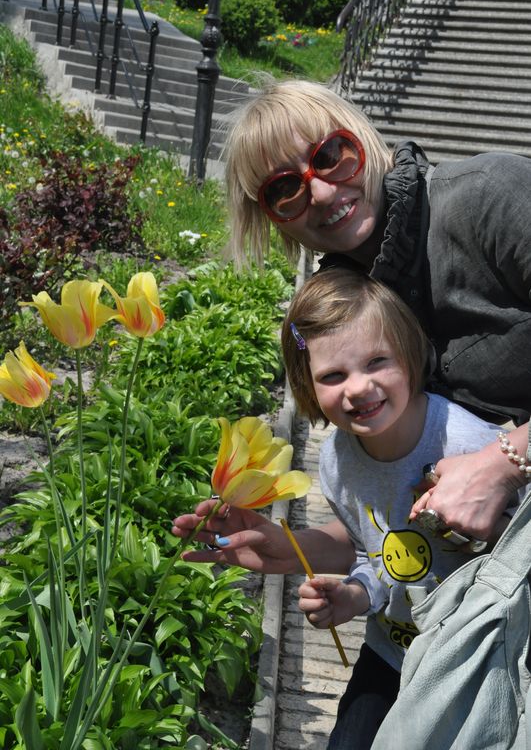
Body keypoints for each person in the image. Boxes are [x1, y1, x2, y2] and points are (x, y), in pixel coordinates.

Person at [174, 76, 531, 569]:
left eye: (328, 155)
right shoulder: (343, 310)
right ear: (270, 217)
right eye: (284, 189)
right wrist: (289, 549)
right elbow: (387, 514)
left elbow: (488, 473)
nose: (319, 192)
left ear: (360, 138)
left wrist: (506, 464)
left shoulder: (491, 199)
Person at [175, 267, 528, 749]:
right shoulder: (339, 461)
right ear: (307, 385)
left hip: (475, 656)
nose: (358, 388)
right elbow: (377, 553)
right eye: (332, 375)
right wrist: (354, 595)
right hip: (392, 650)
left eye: (377, 361)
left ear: (408, 354)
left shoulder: (473, 447)